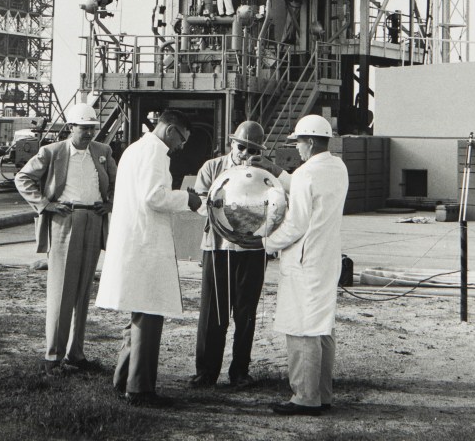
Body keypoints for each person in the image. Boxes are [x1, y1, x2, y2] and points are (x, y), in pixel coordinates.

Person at [95, 109, 202, 408]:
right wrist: (187, 199)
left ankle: (123, 380)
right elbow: (154, 197)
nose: (181, 146)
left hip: (135, 242)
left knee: (139, 314)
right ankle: (140, 390)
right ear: (170, 130)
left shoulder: (134, 149)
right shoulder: (155, 152)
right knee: (149, 314)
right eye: (182, 139)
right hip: (145, 244)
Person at [15, 102, 117, 373]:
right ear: (71, 127)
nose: (89, 133)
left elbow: (117, 182)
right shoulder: (52, 152)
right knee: (62, 290)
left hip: (93, 219)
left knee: (83, 290)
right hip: (64, 219)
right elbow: (23, 178)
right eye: (84, 128)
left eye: (92, 128)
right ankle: (53, 356)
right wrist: (45, 204)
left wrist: (109, 204)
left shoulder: (103, 151)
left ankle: (76, 353)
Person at [189, 120, 288, 389]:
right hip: (217, 247)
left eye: (253, 150)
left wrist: (269, 170)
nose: (245, 154)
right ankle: (206, 371)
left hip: (253, 250)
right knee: (213, 312)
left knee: (246, 312)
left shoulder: (266, 173)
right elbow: (200, 203)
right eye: (241, 147)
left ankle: (240, 371)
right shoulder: (212, 167)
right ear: (231, 144)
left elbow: (281, 198)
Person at [264, 114, 349, 416]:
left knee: (301, 328)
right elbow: (310, 188)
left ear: (310, 142)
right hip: (326, 258)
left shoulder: (304, 174)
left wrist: (265, 243)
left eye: (298, 142)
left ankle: (304, 397)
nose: (296, 148)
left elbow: (296, 224)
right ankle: (322, 394)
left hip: (304, 260)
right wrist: (277, 172)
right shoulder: (338, 167)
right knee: (322, 326)